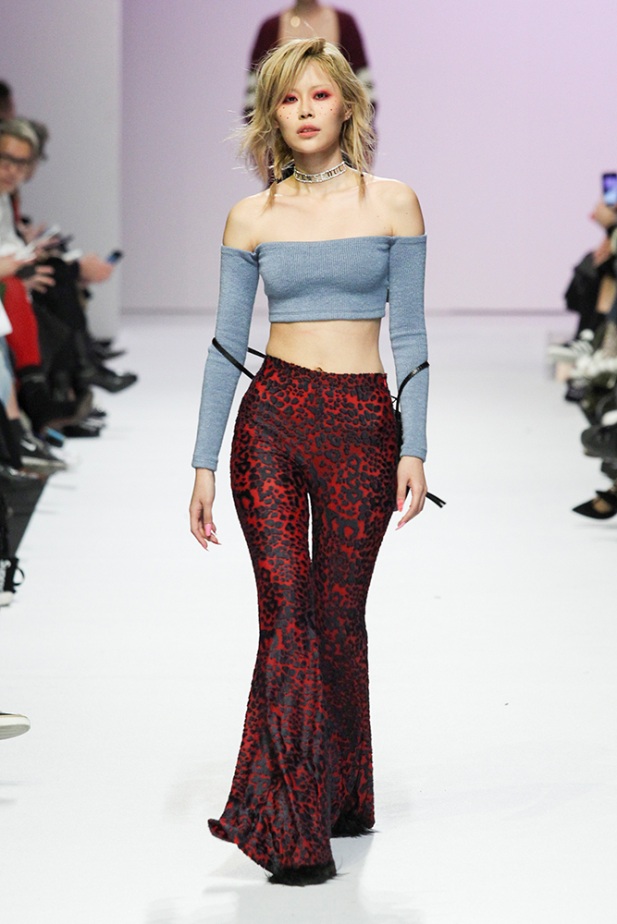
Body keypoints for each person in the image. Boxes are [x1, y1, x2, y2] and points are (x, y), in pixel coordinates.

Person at [190, 37, 431, 886]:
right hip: (271, 423)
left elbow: (410, 334)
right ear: (270, 113)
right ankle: (289, 828)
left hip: (363, 424)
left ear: (347, 106)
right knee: (287, 619)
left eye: (319, 95)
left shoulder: (394, 204)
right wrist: (203, 461)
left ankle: (343, 790)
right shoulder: (250, 217)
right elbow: (226, 345)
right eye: (288, 98)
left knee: (336, 619)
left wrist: (414, 444)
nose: (303, 111)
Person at [244, 2, 376, 121]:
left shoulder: (345, 23)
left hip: (341, 133)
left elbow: (365, 93)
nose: (306, 110)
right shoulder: (269, 29)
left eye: (321, 95)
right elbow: (253, 100)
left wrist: (359, 134)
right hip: (278, 136)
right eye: (290, 98)